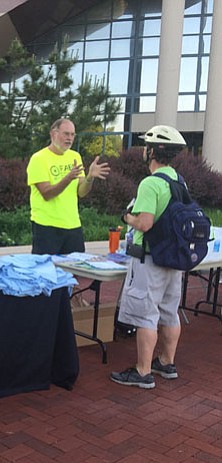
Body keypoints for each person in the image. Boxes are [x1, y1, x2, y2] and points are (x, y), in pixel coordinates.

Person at [110, 125, 188, 389]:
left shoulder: (150, 183)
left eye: (147, 146)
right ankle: (166, 362)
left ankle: (142, 372)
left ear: (153, 151)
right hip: (174, 259)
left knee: (146, 314)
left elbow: (144, 224)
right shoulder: (179, 181)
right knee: (169, 311)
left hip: (150, 258)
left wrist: (126, 217)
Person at [27, 118, 111, 255]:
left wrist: (90, 177)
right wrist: (67, 178)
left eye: (72, 135)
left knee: (77, 272)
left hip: (73, 226)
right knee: (47, 272)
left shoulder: (75, 156)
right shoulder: (38, 159)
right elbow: (46, 194)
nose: (70, 138)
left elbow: (81, 192)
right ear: (53, 134)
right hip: (47, 226)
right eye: (66, 134)